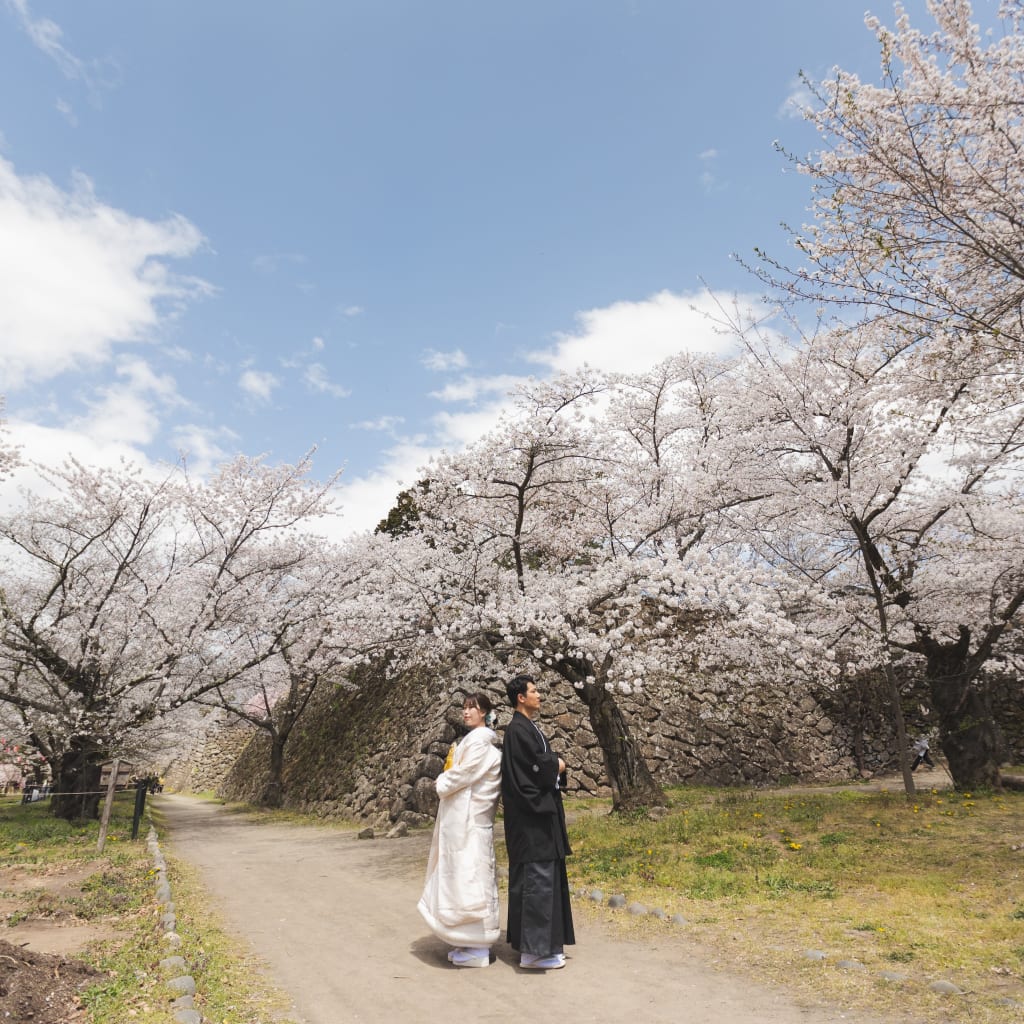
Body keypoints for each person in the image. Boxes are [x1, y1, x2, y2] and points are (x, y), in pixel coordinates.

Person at [417, 692, 502, 968]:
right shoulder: (475, 741)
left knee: (472, 879)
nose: (466, 713)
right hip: (466, 822)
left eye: (472, 708)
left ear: (485, 712)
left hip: (472, 822)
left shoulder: (480, 743)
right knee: (463, 877)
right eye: (464, 708)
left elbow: (462, 775)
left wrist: (441, 781)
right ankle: (466, 940)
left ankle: (478, 945)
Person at [500, 673, 575, 970]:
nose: (539, 695)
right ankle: (534, 952)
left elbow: (539, 764)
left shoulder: (527, 728)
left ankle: (543, 947)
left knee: (544, 881)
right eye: (534, 691)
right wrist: (556, 764)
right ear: (521, 697)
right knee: (537, 883)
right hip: (532, 822)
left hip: (539, 819)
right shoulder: (517, 731)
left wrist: (553, 765)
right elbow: (531, 771)